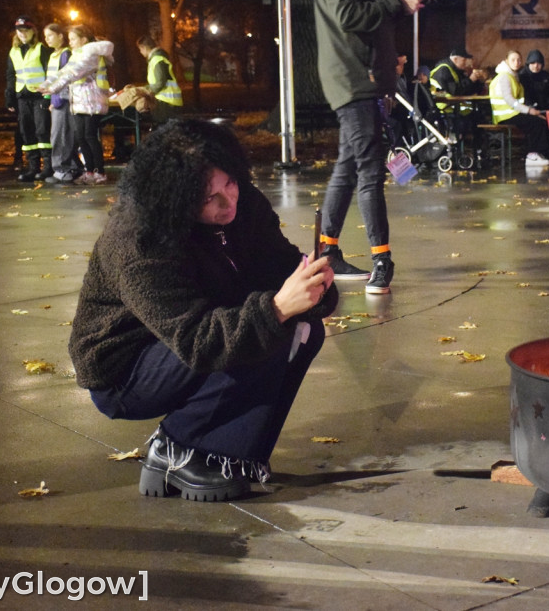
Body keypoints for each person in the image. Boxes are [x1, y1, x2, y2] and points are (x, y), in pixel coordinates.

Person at [69, 119, 337, 502]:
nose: (228, 202)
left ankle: (228, 453)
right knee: (268, 325)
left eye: (230, 183)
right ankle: (177, 447)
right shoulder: (138, 240)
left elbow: (280, 265)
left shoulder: (244, 203)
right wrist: (277, 307)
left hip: (194, 335)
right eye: (208, 197)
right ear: (174, 197)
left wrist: (315, 288)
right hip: (125, 370)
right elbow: (198, 341)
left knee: (301, 330)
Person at [307, 0, 423, 293]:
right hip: (355, 80)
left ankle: (327, 252)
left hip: (360, 77)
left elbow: (360, 22)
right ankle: (381, 261)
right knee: (370, 170)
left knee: (348, 166)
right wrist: (395, 2)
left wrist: (388, 60)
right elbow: (347, 14)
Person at [40, 25, 114, 185]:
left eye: (73, 39)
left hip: (92, 102)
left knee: (90, 136)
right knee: (81, 137)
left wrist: (51, 88)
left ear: (84, 40)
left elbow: (74, 73)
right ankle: (88, 172)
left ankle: (99, 172)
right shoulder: (76, 55)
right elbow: (63, 72)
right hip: (79, 102)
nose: (70, 42)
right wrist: (46, 85)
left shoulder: (90, 55)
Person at [5, 15, 53, 182]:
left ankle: (48, 167)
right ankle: (33, 168)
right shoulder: (14, 50)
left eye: (25, 30)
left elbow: (50, 74)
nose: (22, 34)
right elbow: (11, 75)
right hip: (22, 96)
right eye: (19, 31)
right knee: (26, 132)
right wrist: (10, 97)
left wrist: (48, 96)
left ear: (33, 31)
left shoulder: (41, 49)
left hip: (39, 96)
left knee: (42, 130)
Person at [489, 49, 549, 166]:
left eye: (518, 60)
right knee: (535, 123)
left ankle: (538, 153)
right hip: (505, 115)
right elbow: (510, 100)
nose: (516, 62)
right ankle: (532, 155)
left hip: (512, 113)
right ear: (506, 61)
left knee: (539, 121)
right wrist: (529, 111)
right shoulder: (505, 77)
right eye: (513, 60)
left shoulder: (513, 76)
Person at [42, 23, 83, 183]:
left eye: (50, 35)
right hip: (57, 102)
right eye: (45, 36)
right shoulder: (54, 55)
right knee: (62, 136)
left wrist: (58, 100)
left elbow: (66, 79)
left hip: (64, 102)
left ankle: (62, 170)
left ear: (60, 36)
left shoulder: (65, 55)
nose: (47, 39)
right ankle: (72, 168)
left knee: (61, 137)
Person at [136, 34, 183, 123]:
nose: (140, 52)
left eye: (140, 49)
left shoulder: (157, 59)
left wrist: (146, 91)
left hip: (165, 103)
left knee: (164, 131)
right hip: (168, 102)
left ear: (144, 47)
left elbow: (160, 82)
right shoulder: (158, 58)